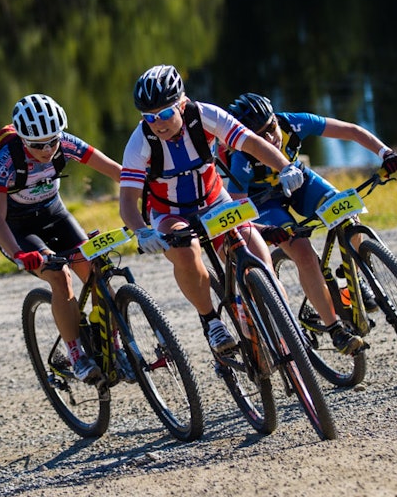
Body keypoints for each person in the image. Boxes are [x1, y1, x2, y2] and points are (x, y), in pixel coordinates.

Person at [118, 64, 306, 363]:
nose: (159, 123)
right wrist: (142, 230)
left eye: (166, 114)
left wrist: (285, 167)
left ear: (181, 104)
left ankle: (281, 319)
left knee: (257, 257)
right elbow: (127, 200)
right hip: (170, 212)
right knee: (185, 250)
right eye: (149, 117)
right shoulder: (140, 142)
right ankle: (211, 321)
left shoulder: (205, 116)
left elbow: (252, 142)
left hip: (215, 200)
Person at [222, 92, 397, 354]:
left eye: (271, 127)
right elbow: (238, 207)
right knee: (303, 252)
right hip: (263, 202)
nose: (270, 137)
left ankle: (358, 275)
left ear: (276, 118)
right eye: (259, 135)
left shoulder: (293, 123)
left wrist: (384, 152)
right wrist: (263, 231)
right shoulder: (241, 157)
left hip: (300, 183)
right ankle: (336, 330)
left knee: (347, 213)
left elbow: (350, 131)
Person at [0, 93, 122, 384]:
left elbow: (117, 172)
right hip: (19, 229)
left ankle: (115, 347)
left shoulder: (65, 143)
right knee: (60, 277)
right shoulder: (5, 161)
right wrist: (19, 254)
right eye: (38, 145)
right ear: (23, 140)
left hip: (54, 214)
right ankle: (76, 355)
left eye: (53, 141)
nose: (48, 149)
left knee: (96, 273)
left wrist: (151, 196)